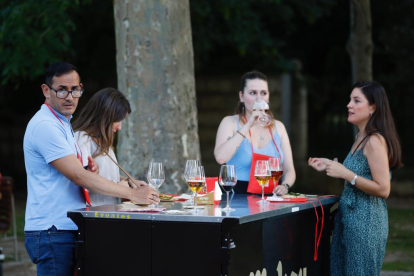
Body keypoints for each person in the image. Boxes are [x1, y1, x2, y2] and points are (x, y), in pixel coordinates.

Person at [23, 62, 159, 276]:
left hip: (64, 228)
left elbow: (77, 174)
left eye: (75, 90)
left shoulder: (63, 123)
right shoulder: (45, 126)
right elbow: (78, 175)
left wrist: (91, 172)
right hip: (53, 231)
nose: (69, 96)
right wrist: (132, 193)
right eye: (61, 90)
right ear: (46, 91)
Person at [308, 81, 403, 276]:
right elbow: (356, 172)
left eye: (356, 100)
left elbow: (384, 189)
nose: (348, 105)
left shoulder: (375, 140)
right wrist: (329, 164)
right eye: (350, 99)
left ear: (372, 108)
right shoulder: (361, 136)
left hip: (366, 225)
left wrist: (345, 173)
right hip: (349, 221)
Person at [214, 70, 296, 195]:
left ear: (268, 97)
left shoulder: (279, 127)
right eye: (253, 93)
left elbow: (289, 170)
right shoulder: (229, 122)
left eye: (263, 93)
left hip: (271, 195)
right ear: (241, 96)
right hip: (237, 196)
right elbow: (220, 158)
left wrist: (285, 185)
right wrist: (248, 124)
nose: (259, 98)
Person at [73, 87, 147, 206]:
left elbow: (107, 175)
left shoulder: (103, 141)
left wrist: (130, 181)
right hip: (94, 216)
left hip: (107, 214)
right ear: (104, 117)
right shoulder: (82, 138)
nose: (119, 127)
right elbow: (85, 180)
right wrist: (121, 188)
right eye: (117, 120)